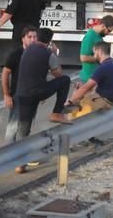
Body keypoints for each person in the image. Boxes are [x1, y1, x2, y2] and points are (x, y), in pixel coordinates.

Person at [15, 28, 71, 158]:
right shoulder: (48, 53)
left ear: (37, 37)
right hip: (38, 91)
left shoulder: (28, 50)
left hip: (22, 93)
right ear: (50, 41)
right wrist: (54, 54)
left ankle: (20, 160)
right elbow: (58, 74)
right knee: (65, 80)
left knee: (24, 127)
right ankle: (57, 113)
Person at [65, 41, 113, 120]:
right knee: (80, 96)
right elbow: (101, 87)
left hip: (103, 102)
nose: (93, 56)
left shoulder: (103, 68)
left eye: (94, 53)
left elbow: (86, 88)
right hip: (110, 100)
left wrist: (70, 102)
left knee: (72, 110)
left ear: (99, 52)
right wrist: (81, 90)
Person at [1, 25, 38, 144]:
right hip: (18, 95)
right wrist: (7, 95)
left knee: (26, 126)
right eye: (29, 37)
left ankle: (23, 154)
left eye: (35, 37)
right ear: (23, 39)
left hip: (33, 96)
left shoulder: (38, 53)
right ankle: (9, 154)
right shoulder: (16, 54)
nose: (33, 39)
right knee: (13, 127)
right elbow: (5, 74)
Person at [78, 15, 113, 86]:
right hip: (88, 78)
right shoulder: (90, 37)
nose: (107, 33)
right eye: (108, 30)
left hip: (95, 78)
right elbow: (83, 58)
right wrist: (101, 59)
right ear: (103, 26)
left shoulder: (98, 36)